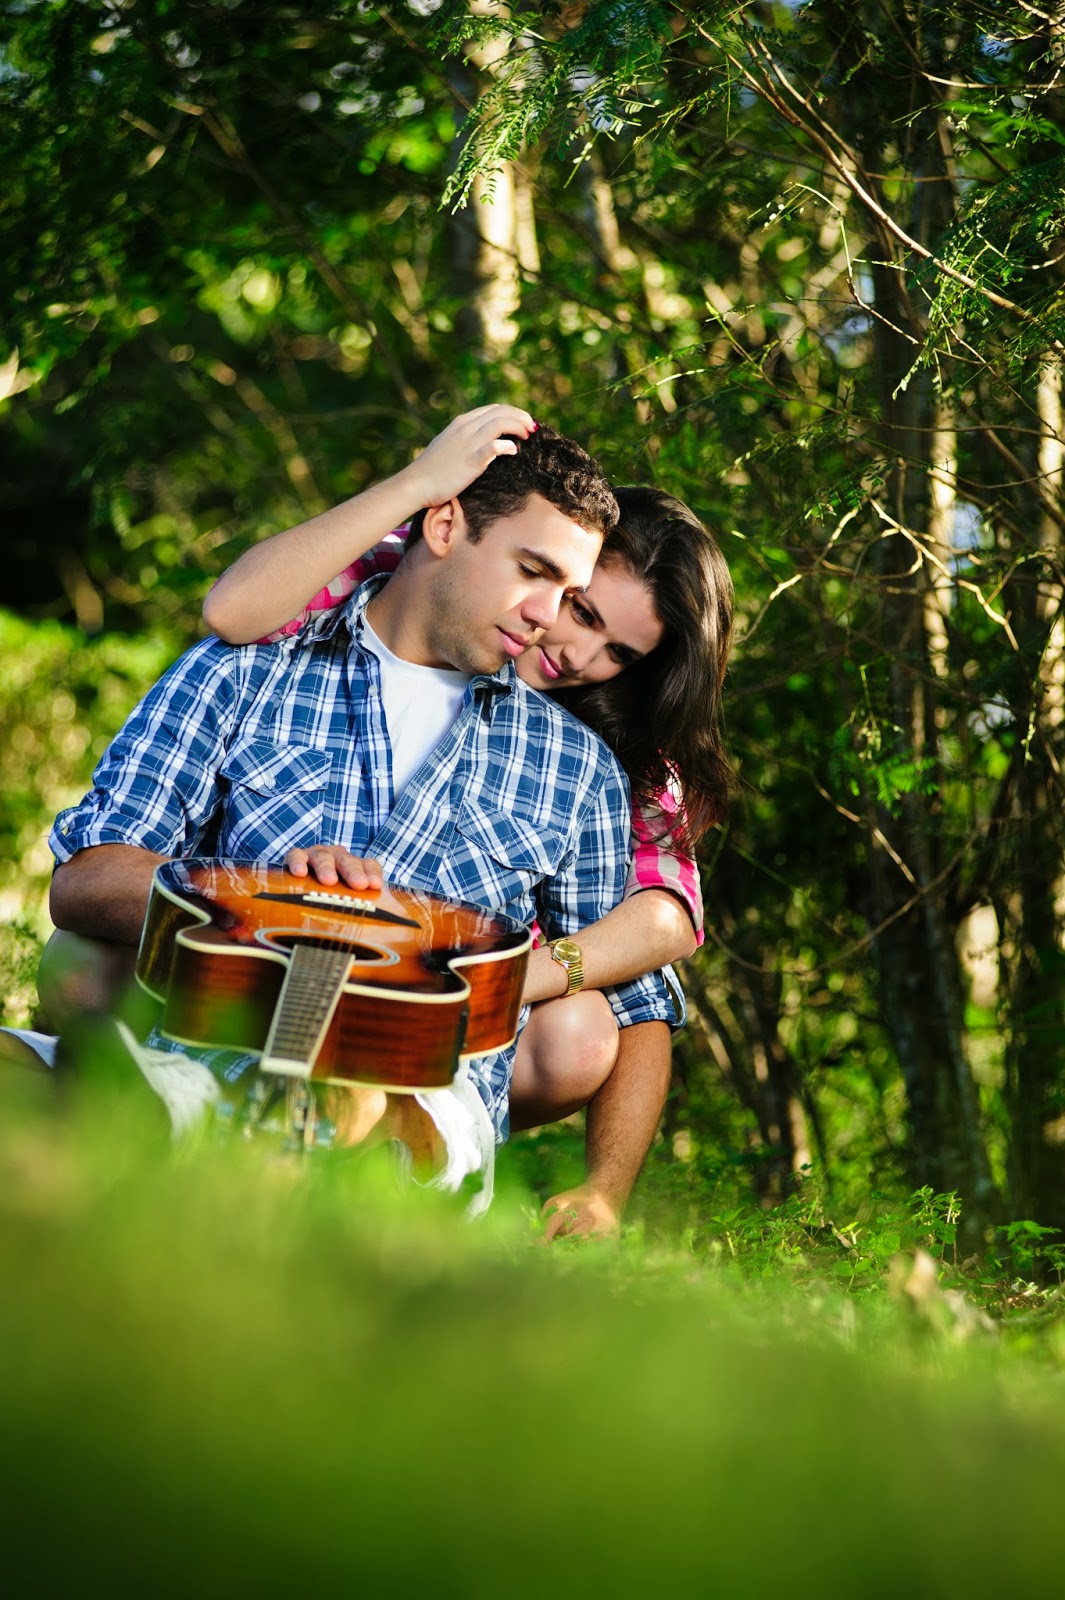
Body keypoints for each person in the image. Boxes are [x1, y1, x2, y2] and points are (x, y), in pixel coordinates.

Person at [42, 407, 679, 1220]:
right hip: (210, 1043)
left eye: (568, 592)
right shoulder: (249, 671)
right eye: (532, 571)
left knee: (364, 1106)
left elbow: (637, 1006)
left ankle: (253, 1147)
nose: (546, 615)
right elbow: (86, 877)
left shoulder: (576, 765)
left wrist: (605, 1193)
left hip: (426, 1097)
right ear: (444, 524)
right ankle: (201, 1132)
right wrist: (265, 895)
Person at [201, 409, 735, 1236]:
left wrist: (524, 976)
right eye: (581, 612)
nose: (578, 656)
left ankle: (412, 1135)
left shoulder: (604, 747)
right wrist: (422, 482)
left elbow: (664, 922)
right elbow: (236, 611)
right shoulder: (392, 585)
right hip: (277, 965)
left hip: (457, 1013)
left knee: (591, 1022)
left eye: (620, 655)